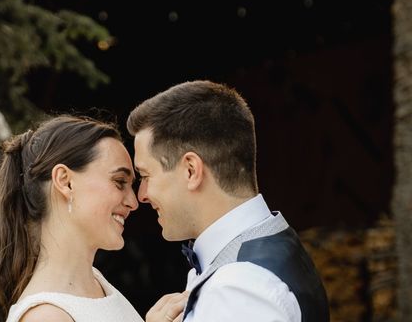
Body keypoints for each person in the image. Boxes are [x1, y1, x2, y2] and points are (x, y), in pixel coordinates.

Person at [127, 80, 330, 322]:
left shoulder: (239, 288)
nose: (142, 195)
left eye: (146, 176)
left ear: (191, 171)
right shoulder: (266, 245)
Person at [0, 114, 187, 322]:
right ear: (66, 182)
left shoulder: (97, 284)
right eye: (119, 181)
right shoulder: (46, 316)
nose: (134, 201)